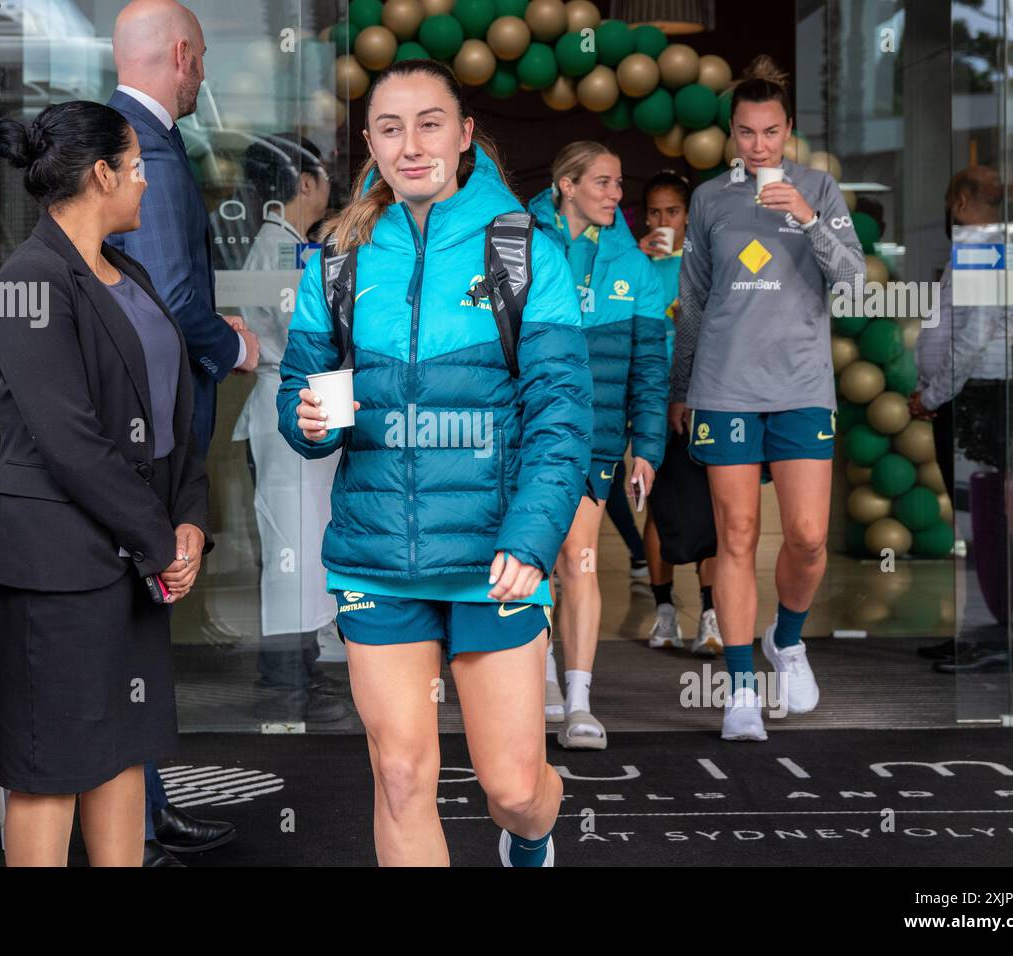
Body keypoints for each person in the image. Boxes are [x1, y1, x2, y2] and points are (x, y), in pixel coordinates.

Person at [277, 58, 591, 866]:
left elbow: (561, 416)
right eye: (390, 127)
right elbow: (302, 397)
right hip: (376, 556)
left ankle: (533, 837)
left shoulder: (525, 253)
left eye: (429, 124)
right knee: (404, 775)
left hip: (493, 558)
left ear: (464, 135)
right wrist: (309, 420)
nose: (410, 144)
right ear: (370, 143)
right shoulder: (336, 260)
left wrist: (531, 538)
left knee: (515, 789)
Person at [0, 100, 211, 866]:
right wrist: (158, 539)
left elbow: (168, 407)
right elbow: (72, 442)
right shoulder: (25, 281)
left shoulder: (124, 268)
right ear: (102, 174)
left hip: (131, 564)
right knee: (50, 772)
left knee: (121, 753)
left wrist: (191, 518)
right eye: (137, 167)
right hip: (60, 569)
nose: (144, 182)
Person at [669, 55, 865, 741]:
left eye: (770, 132)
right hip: (724, 388)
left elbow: (854, 283)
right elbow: (691, 301)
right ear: (732, 133)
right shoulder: (710, 200)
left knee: (808, 538)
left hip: (803, 387)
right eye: (746, 134)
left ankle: (788, 638)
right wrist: (680, 387)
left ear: (788, 130)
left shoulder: (821, 189)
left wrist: (810, 216)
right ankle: (742, 690)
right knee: (737, 538)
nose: (759, 146)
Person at [105, 0, 253, 867]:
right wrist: (232, 342)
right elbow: (169, 298)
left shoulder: (121, 134)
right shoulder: (146, 148)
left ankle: (149, 811)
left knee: (140, 621)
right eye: (200, 63)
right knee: (133, 618)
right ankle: (136, 824)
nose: (204, 78)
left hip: (139, 420)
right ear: (184, 52)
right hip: (150, 428)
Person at [527, 143, 672, 749]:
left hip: (597, 436)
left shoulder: (632, 263)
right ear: (566, 185)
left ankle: (581, 700)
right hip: (528, 430)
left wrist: (649, 447)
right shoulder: (520, 237)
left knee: (578, 558)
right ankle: (543, 685)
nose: (618, 195)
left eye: (619, 183)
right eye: (605, 183)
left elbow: (650, 363)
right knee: (534, 563)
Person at [230, 134, 351, 722]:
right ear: (304, 183)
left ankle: (298, 668)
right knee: (291, 545)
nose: (328, 186)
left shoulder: (288, 244)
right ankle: (286, 678)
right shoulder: (282, 250)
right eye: (323, 175)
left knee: (301, 543)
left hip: (294, 402)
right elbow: (310, 331)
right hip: (289, 400)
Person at [910, 165, 1011, 674]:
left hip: (974, 400)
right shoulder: (975, 248)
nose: (949, 212)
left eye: (953, 202)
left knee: (980, 521)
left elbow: (974, 338)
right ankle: (977, 629)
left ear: (964, 200)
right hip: (965, 398)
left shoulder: (982, 247)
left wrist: (932, 394)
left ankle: (993, 634)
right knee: (974, 522)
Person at [639, 171, 720, 656]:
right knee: (660, 505)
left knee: (711, 505)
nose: (663, 221)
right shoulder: (635, 263)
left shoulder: (706, 261)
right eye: (654, 212)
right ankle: (665, 610)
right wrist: (637, 261)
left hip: (703, 396)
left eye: (672, 212)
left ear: (689, 216)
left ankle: (710, 614)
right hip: (651, 397)